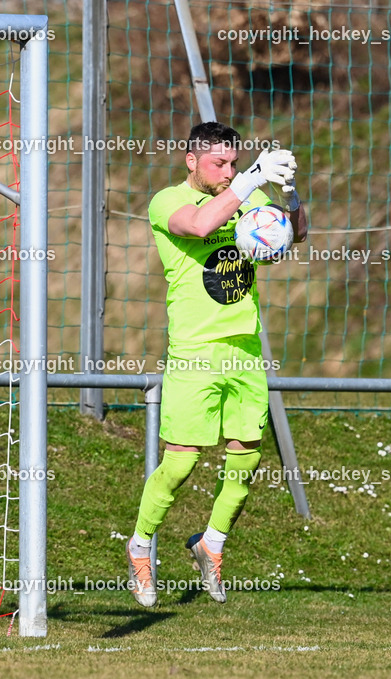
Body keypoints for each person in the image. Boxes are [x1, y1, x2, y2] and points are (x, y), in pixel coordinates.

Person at [125, 122, 306, 607]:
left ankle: (211, 544)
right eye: (218, 164)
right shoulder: (167, 201)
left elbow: (295, 235)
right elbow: (202, 226)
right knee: (181, 463)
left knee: (246, 459)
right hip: (194, 352)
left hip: (244, 350)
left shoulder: (242, 197)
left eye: (232, 163)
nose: (227, 173)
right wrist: (251, 177)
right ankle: (141, 547)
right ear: (191, 161)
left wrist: (288, 196)